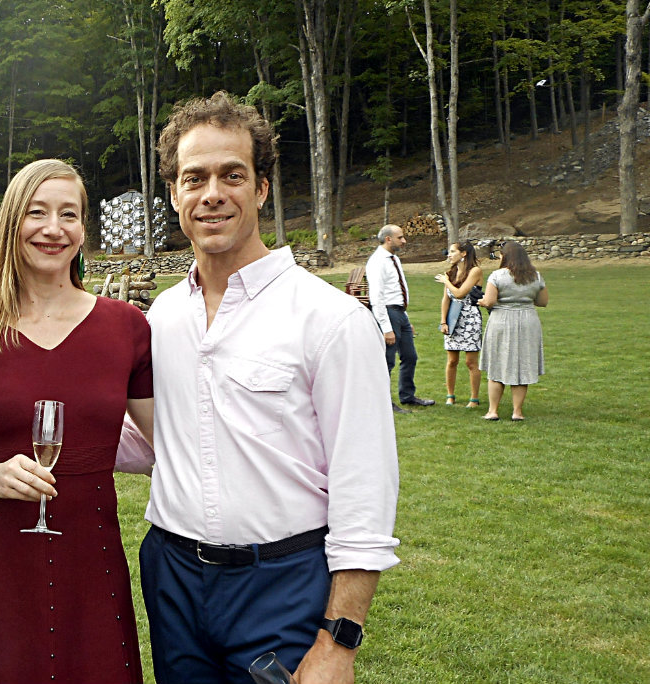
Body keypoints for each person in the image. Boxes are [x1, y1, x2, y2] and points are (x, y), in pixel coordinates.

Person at [139, 92, 399, 683]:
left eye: (232, 175)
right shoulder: (162, 317)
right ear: (174, 194)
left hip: (282, 584)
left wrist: (339, 643)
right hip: (172, 580)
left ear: (260, 189)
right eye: (194, 178)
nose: (212, 193)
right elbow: (157, 436)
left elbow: (364, 490)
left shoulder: (330, 319)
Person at [0, 159, 155, 684]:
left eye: (69, 214)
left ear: (83, 228)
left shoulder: (127, 327)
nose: (53, 228)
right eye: (37, 213)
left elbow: (170, 443)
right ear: (12, 223)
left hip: (91, 554)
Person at [366, 224, 435, 411]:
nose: (404, 241)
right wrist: (386, 328)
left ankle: (407, 396)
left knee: (410, 356)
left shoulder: (394, 259)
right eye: (400, 238)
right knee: (387, 360)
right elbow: (377, 297)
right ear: (388, 239)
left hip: (400, 314)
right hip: (388, 314)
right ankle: (383, 402)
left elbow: (397, 292)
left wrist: (406, 318)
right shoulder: (377, 261)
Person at [478, 241, 549, 421]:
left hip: (502, 320)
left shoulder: (497, 275)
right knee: (522, 365)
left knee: (497, 364)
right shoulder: (535, 276)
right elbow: (542, 301)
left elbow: (490, 301)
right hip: (527, 321)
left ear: (505, 256)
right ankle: (517, 412)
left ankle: (493, 411)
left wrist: (482, 301)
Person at [434, 241, 483, 407]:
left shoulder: (475, 271)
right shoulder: (451, 272)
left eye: (453, 251)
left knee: (471, 362)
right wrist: (443, 321)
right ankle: (450, 395)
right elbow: (446, 299)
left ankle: (474, 399)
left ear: (464, 253)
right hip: (452, 319)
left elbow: (460, 294)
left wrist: (446, 282)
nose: (449, 255)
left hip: (470, 319)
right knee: (452, 360)